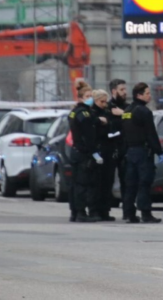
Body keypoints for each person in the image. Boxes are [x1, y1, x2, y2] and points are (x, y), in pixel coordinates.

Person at [122, 82, 163, 224]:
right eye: (147, 93)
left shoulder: (127, 111)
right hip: (142, 152)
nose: (149, 96)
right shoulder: (144, 112)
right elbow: (151, 134)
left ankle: (129, 214)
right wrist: (159, 151)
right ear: (139, 95)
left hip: (130, 152)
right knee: (144, 183)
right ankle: (146, 213)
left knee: (131, 184)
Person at [68, 81, 104, 223]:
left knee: (76, 184)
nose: (90, 98)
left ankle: (75, 212)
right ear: (81, 98)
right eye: (88, 95)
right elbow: (88, 136)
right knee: (84, 185)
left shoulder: (74, 112)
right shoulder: (84, 113)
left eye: (91, 95)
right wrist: (94, 153)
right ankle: (82, 213)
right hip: (84, 153)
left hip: (76, 152)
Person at [90, 90, 117, 222]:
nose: (104, 104)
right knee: (97, 183)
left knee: (108, 182)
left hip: (108, 149)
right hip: (98, 150)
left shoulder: (106, 111)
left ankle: (105, 210)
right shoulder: (92, 113)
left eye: (106, 101)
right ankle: (94, 210)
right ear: (95, 100)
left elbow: (112, 125)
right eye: (102, 101)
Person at [108, 79, 128, 218]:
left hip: (124, 148)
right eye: (121, 90)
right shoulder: (107, 107)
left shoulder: (127, 107)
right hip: (109, 149)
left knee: (127, 181)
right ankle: (103, 210)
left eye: (125, 89)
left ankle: (128, 212)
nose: (125, 92)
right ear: (114, 91)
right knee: (106, 181)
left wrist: (123, 113)